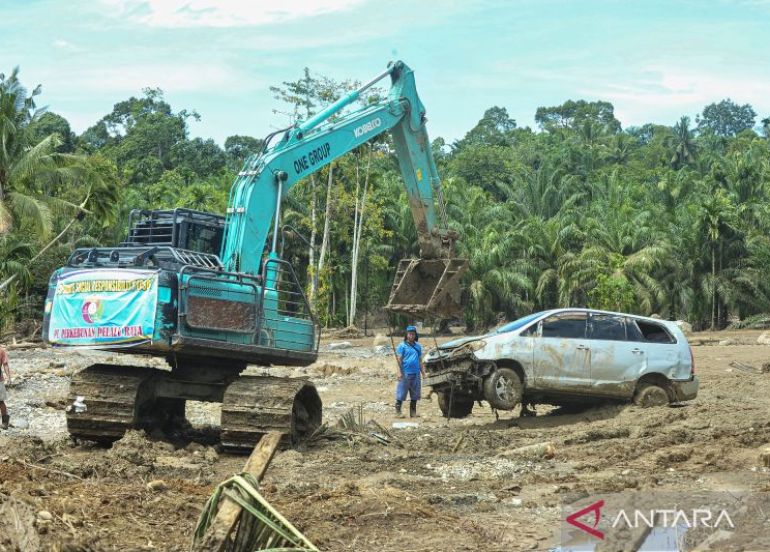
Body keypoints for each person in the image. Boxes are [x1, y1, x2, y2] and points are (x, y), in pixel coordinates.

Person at [395, 325, 426, 418]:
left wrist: (423, 373)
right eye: (409, 334)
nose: (411, 336)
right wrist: (399, 372)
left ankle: (413, 413)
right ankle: (398, 412)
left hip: (416, 374)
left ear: (415, 335)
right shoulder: (402, 346)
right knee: (401, 393)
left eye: (413, 334)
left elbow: (420, 360)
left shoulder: (418, 346)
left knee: (415, 395)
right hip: (405, 374)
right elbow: (399, 360)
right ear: (406, 334)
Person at [0, 346, 11, 430]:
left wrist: (8, 377)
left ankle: (5, 422)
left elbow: (5, 364)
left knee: (1, 401)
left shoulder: (1, 350)